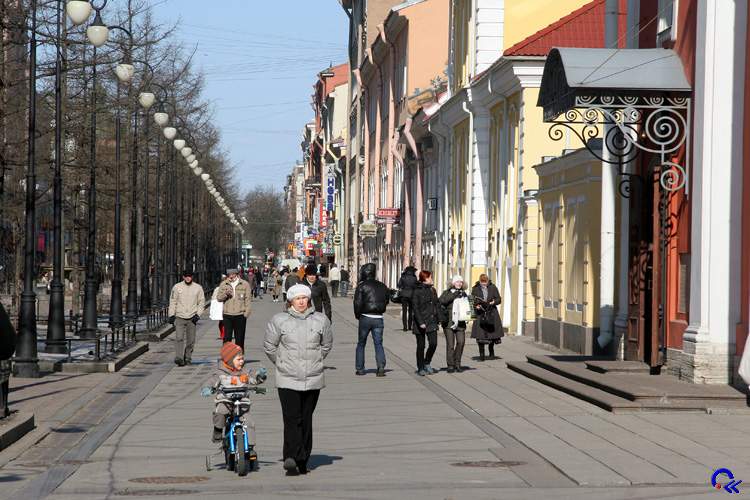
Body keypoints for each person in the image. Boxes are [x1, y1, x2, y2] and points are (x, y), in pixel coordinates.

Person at [264, 284, 333, 475]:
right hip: (287, 377)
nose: (301, 302)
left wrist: (316, 360)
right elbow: (269, 346)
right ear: (290, 301)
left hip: (312, 378)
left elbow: (326, 345)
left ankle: (303, 459)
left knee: (306, 418)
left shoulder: (321, 320)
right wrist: (281, 362)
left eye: (304, 298)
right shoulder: (279, 320)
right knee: (291, 418)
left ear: (309, 299)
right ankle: (292, 457)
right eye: (297, 298)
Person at [203, 342, 267, 449]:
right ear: (229, 360)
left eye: (242, 359)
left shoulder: (245, 371)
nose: (242, 361)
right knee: (220, 411)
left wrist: (260, 376)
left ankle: (250, 447)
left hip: (242, 402)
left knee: (249, 422)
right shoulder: (220, 372)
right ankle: (218, 429)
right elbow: (212, 381)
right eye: (238, 359)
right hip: (225, 400)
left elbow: (253, 378)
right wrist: (208, 388)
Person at [353, 263, 389, 377]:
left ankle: (360, 368)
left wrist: (358, 315)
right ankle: (381, 367)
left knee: (361, 343)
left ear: (365, 273)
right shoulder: (382, 286)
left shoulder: (362, 286)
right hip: (378, 317)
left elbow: (357, 303)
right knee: (378, 343)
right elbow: (386, 300)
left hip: (365, 316)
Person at [168, 270, 205, 366]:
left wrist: (198, 314)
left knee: (191, 340)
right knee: (179, 338)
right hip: (179, 316)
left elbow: (201, 303)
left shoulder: (198, 288)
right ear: (183, 277)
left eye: (190, 276)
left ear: (192, 277)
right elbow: (173, 301)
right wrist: (171, 315)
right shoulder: (177, 287)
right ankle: (179, 358)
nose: (188, 278)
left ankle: (188, 357)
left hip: (192, 317)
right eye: (186, 276)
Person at [412, 270, 443, 376]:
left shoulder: (433, 290)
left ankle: (427, 362)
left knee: (433, 343)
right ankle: (420, 367)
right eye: (430, 277)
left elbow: (437, 305)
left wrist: (440, 318)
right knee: (421, 346)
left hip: (432, 321)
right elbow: (415, 308)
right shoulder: (417, 291)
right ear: (424, 279)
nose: (431, 279)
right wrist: (420, 322)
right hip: (420, 323)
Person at [216, 269, 252, 350]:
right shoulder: (224, 284)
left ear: (236, 274)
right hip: (227, 315)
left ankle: (239, 355)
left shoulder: (244, 284)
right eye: (229, 275)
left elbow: (248, 300)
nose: (231, 276)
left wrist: (246, 314)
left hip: (240, 315)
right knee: (227, 338)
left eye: (232, 274)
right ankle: (227, 355)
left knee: (239, 338)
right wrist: (226, 294)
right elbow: (219, 298)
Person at [439, 275, 469, 373]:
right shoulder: (446, 292)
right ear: (452, 283)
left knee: (461, 342)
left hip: (460, 322)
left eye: (461, 282)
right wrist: (454, 295)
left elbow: (467, 306)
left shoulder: (464, 293)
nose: (459, 284)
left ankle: (457, 363)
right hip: (448, 322)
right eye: (457, 282)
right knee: (450, 345)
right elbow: (442, 301)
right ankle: (451, 365)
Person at [470, 274, 503, 361]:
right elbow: (471, 301)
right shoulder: (475, 288)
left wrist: (493, 302)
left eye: (485, 282)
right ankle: (481, 354)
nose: (484, 284)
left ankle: (491, 350)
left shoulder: (493, 287)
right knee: (480, 336)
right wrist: (476, 306)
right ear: (480, 281)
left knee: (491, 334)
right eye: (482, 282)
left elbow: (499, 299)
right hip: (480, 314)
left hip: (491, 313)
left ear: (488, 281)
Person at [398, 266, 418, 331]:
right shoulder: (414, 277)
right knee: (411, 311)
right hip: (412, 295)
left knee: (404, 311)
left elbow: (399, 285)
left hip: (404, 295)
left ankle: (405, 327)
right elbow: (416, 286)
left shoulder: (403, 277)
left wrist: (403, 287)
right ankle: (409, 326)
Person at [210, 274, 227, 341]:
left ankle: (223, 334)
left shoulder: (219, 288)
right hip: (220, 306)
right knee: (222, 321)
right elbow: (214, 298)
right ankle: (223, 334)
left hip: (225, 306)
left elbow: (213, 298)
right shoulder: (218, 289)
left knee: (223, 321)